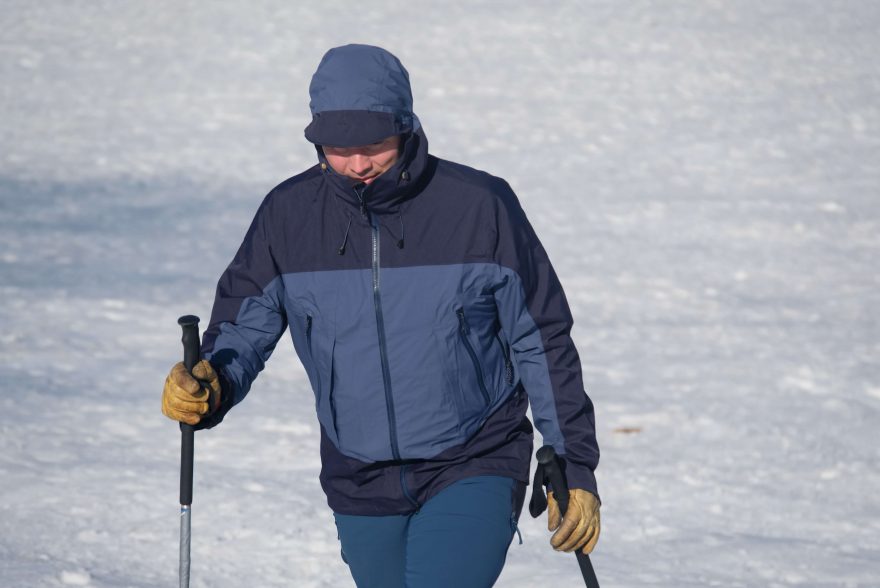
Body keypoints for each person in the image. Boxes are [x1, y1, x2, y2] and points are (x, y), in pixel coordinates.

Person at [162, 44, 600, 588]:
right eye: (339, 148)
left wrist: (572, 460)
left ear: (406, 127)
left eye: (373, 145)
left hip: (472, 458)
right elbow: (245, 330)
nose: (358, 164)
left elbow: (541, 339)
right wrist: (211, 382)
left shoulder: (478, 207)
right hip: (358, 475)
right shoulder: (288, 217)